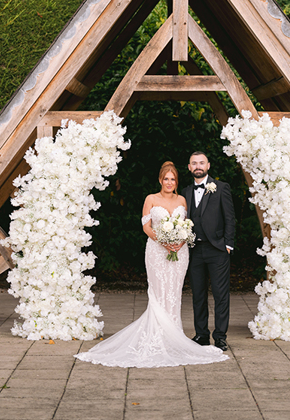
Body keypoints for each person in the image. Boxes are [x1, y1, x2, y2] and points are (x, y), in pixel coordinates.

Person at [74, 161, 228, 368]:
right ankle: (157, 336)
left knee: (174, 293)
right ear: (160, 180)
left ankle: (173, 334)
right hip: (157, 251)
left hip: (180, 252)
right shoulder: (151, 199)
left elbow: (189, 225)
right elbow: (146, 226)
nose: (169, 182)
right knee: (158, 292)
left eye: (173, 179)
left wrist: (180, 241)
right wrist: (164, 241)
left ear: (176, 181)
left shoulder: (183, 199)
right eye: (166, 179)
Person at [182, 151, 235, 351]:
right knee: (198, 294)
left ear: (208, 165)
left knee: (221, 295)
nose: (198, 166)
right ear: (189, 167)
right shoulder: (185, 192)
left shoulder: (221, 188)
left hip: (218, 250)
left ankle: (220, 336)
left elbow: (229, 217)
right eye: (194, 163)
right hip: (194, 250)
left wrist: (228, 244)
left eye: (201, 163)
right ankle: (201, 335)